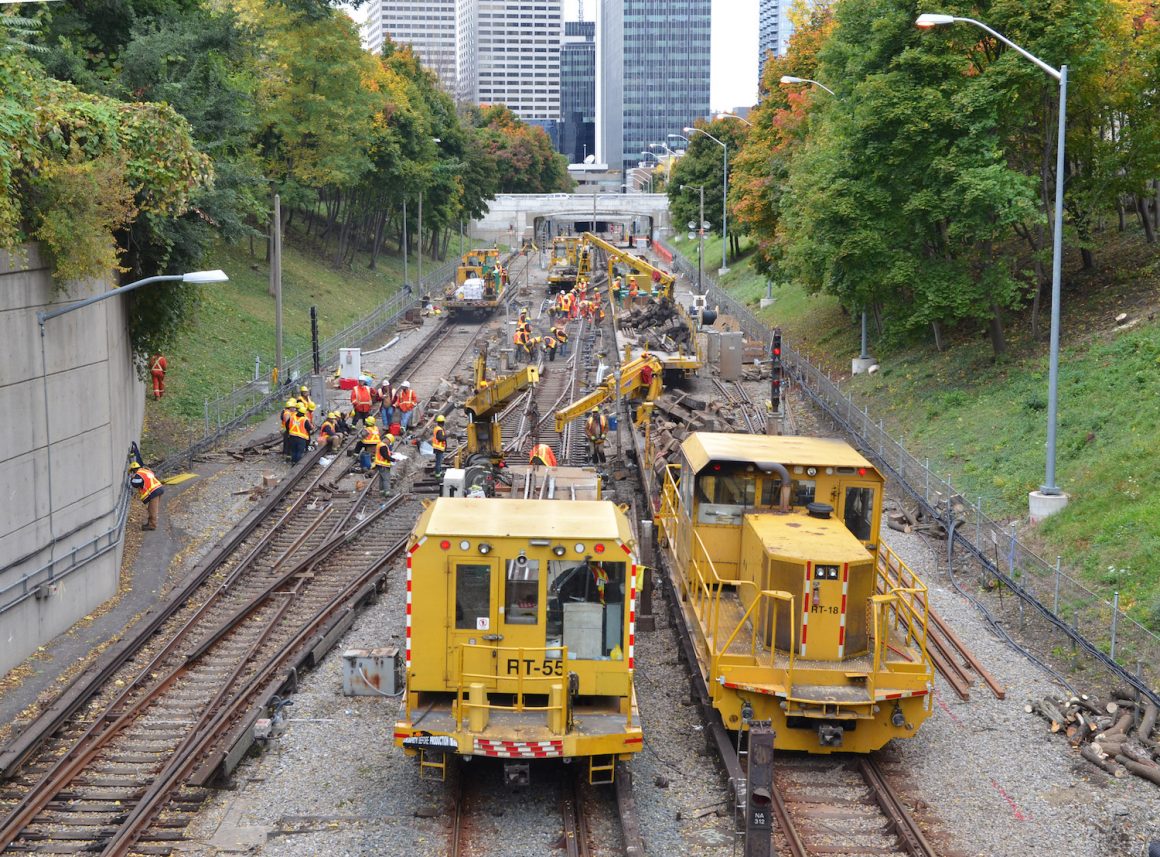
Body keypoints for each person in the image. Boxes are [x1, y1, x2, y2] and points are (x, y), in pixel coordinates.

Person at [129, 461, 165, 531]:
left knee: (153, 510)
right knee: (151, 508)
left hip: (154, 491)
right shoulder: (145, 470)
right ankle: (150, 523)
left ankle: (152, 525)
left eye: (132, 471)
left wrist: (132, 478)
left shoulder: (138, 474)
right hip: (158, 488)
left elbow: (135, 484)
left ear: (133, 470)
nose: (132, 473)